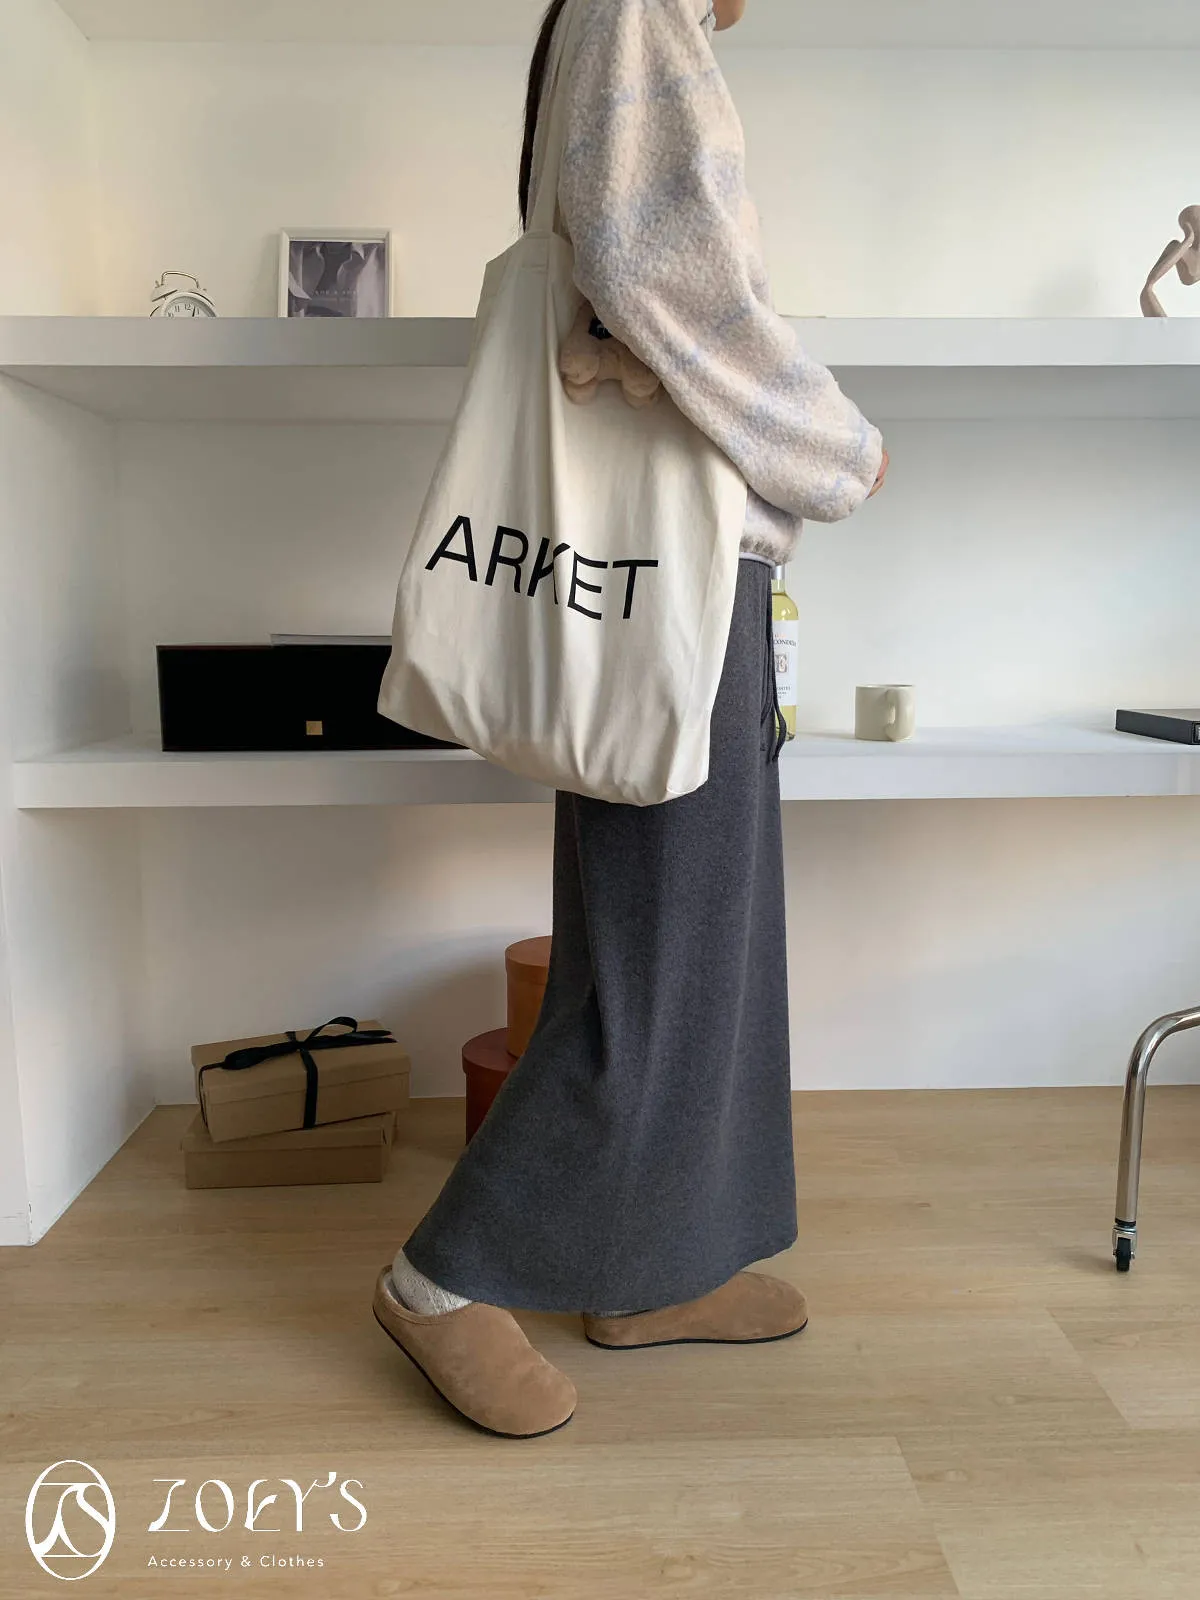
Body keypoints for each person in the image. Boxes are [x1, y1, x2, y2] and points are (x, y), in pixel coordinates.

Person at [372, 0, 887, 1439]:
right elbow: (660, 275)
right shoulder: (638, 7)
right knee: (662, 968)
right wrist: (839, 448)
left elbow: (631, 280)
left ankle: (653, 1268)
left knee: (690, 954)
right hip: (677, 580)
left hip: (684, 575)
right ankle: (437, 1282)